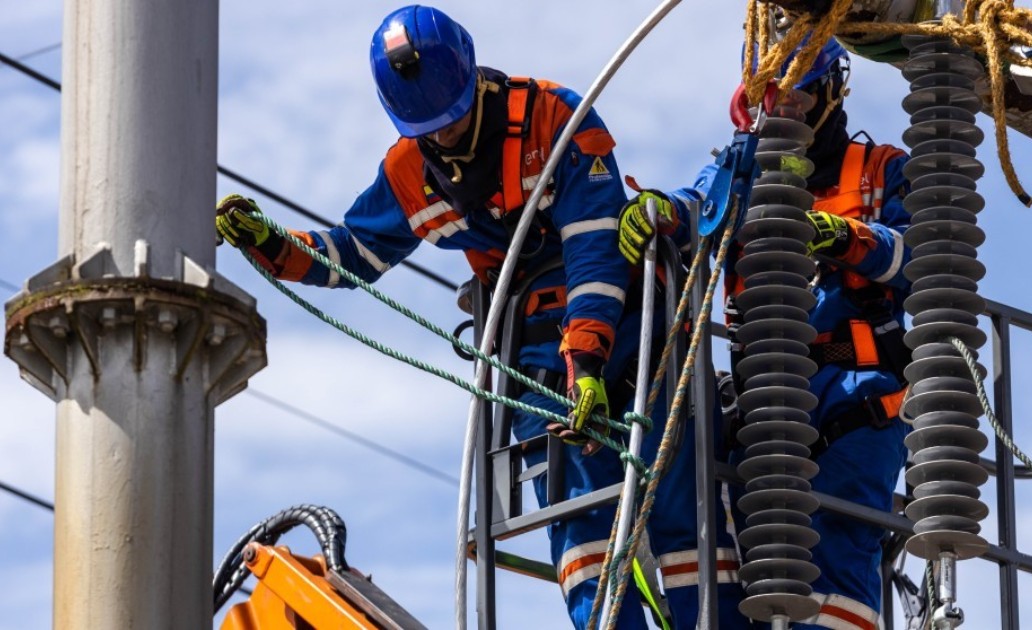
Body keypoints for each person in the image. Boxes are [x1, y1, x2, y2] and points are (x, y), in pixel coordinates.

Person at [214, 5, 748, 628]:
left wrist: (589, 355)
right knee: (580, 532)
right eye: (428, 128)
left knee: (685, 514)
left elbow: (594, 245)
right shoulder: (409, 172)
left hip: (637, 328)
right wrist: (273, 244)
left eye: (451, 118)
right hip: (537, 358)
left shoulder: (555, 117)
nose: (443, 136)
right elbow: (352, 254)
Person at [620, 38, 913, 629]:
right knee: (728, 546)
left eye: (800, 96)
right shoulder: (740, 170)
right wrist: (659, 212)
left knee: (837, 561)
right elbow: (695, 206)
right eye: (771, 98)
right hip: (766, 404)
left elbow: (926, 263)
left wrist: (846, 238)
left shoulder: (881, 170)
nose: (786, 112)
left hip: (858, 400)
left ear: (834, 91)